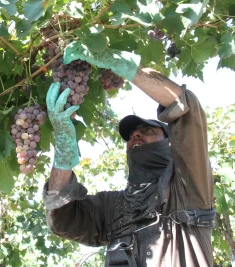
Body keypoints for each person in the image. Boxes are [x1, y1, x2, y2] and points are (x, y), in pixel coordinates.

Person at [43, 42, 215, 267]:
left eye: (147, 131)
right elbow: (63, 217)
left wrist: (124, 66)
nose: (136, 136)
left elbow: (186, 108)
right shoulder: (113, 206)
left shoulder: (187, 185)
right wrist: (64, 150)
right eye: (131, 136)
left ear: (169, 141)